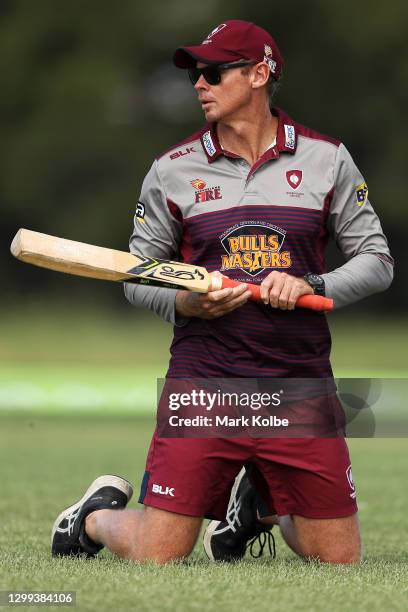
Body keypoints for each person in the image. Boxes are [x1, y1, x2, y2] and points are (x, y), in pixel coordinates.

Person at [51, 20, 393, 564]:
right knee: (158, 554)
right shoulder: (171, 171)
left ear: (259, 74)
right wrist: (186, 301)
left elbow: (378, 262)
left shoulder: (328, 160)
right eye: (195, 74)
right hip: (205, 381)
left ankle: (252, 508)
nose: (198, 84)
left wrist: (312, 283)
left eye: (212, 72)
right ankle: (91, 518)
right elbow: (138, 277)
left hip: (298, 382)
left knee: (338, 560)